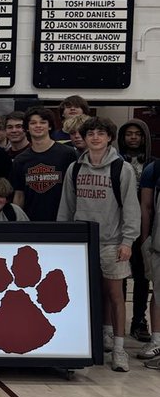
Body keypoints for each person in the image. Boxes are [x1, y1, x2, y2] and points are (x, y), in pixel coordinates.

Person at [57, 117, 140, 373]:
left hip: (112, 242)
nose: (95, 137)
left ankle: (119, 349)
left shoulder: (122, 169)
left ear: (109, 138)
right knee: (81, 294)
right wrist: (63, 238)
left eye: (100, 133)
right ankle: (85, 342)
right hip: (82, 241)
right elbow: (66, 207)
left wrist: (128, 241)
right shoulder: (75, 168)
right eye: (90, 133)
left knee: (115, 296)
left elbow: (131, 208)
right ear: (84, 138)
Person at [117, 118, 155, 342]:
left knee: (142, 277)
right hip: (119, 225)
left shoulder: (153, 164)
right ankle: (116, 322)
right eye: (129, 134)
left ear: (144, 138)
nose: (133, 137)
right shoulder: (115, 162)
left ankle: (139, 320)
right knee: (118, 276)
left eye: (137, 134)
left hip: (145, 225)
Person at [11, 106, 77, 222]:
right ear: (27, 128)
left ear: (49, 126)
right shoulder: (20, 160)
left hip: (62, 221)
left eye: (43, 122)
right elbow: (19, 194)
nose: (38, 126)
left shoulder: (68, 154)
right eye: (33, 123)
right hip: (30, 222)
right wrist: (17, 223)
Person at [138, 150, 160, 364]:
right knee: (158, 291)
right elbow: (146, 208)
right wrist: (145, 239)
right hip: (157, 242)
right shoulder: (154, 169)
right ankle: (156, 340)